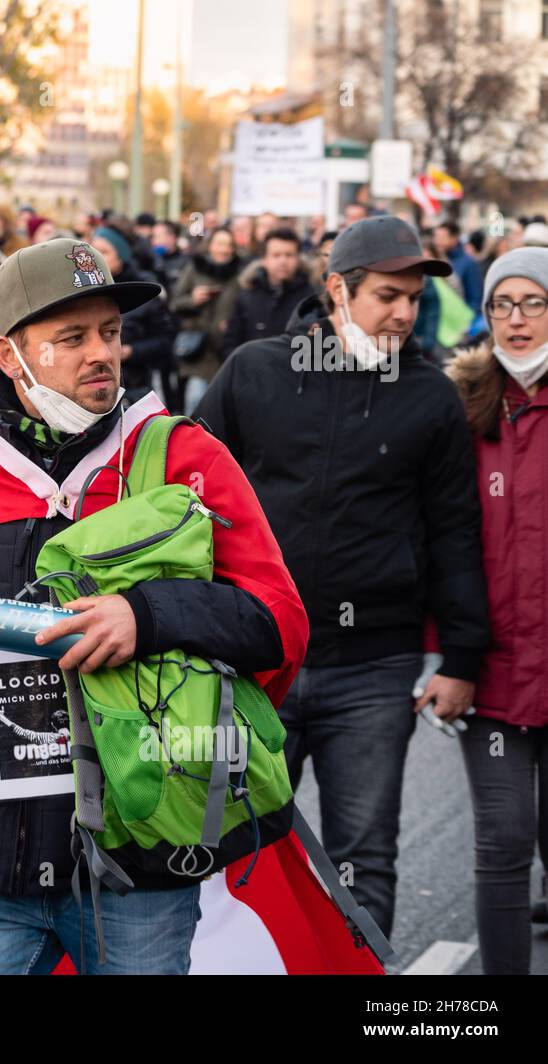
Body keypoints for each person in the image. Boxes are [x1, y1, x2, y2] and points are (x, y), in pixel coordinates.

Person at [0, 237, 308, 975]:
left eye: (110, 333)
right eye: (72, 338)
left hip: (143, 865)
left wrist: (149, 615)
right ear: (10, 356)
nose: (102, 353)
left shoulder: (186, 456)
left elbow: (278, 624)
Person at [196, 216, 489, 939]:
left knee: (364, 858)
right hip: (257, 660)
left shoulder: (430, 396)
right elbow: (186, 500)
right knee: (233, 850)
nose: (403, 313)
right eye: (388, 295)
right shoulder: (254, 371)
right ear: (336, 288)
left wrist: (462, 657)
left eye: (413, 300)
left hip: (374, 670)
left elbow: (455, 531)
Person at [445, 247, 548, 974]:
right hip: (494, 668)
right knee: (503, 840)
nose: (516, 319)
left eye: (534, 302)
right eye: (502, 304)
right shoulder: (461, 403)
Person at [88, 225, 177, 406]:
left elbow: (166, 340)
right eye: (92, 254)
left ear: (122, 255)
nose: (97, 260)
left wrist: (131, 351)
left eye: (104, 252)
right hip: (95, 389)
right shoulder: (85, 292)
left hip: (137, 387)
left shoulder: (142, 291)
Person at [169, 226, 242, 413]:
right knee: (195, 403)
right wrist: (192, 300)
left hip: (227, 350)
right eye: (219, 244)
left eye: (228, 245)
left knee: (224, 409)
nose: (224, 249)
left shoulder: (240, 274)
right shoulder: (195, 268)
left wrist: (235, 323)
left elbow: (247, 306)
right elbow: (175, 303)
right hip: (199, 352)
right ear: (210, 246)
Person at [220, 227, 316, 361]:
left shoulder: (311, 298)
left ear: (298, 258)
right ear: (264, 259)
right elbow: (231, 342)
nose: (283, 261)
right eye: (276, 255)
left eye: (289, 255)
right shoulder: (247, 295)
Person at [435, 221, 484, 315]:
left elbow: (475, 299)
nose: (437, 241)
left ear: (454, 238)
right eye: (436, 237)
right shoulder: (437, 258)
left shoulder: (469, 263)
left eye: (442, 238)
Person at [151, 219, 187, 291]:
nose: (153, 241)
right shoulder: (149, 260)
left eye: (157, 237)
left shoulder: (186, 262)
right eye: (152, 237)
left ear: (172, 238)